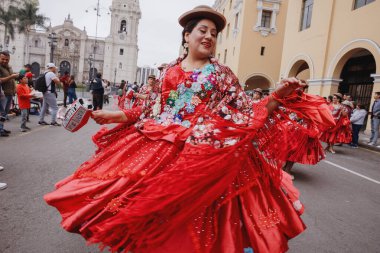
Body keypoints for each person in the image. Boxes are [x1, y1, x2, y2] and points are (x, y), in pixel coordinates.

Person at [45, 6, 333, 253]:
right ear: (187, 36)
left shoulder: (222, 74)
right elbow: (149, 109)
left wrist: (276, 96)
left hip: (206, 151)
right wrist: (114, 115)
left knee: (199, 217)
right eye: (203, 31)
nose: (209, 36)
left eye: (214, 34)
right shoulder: (168, 71)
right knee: (137, 201)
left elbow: (245, 113)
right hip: (157, 144)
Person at [0, 51, 19, 123]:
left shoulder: (9, 67)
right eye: (3, 59)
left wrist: (15, 88)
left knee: (5, 112)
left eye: (7, 59)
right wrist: (11, 76)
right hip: (2, 94)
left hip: (10, 93)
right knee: (2, 113)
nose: (5, 61)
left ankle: (1, 128)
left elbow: (12, 79)